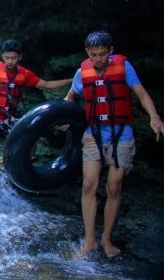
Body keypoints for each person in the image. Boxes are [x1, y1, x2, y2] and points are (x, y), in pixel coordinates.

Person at [64, 30, 162, 258]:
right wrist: (64, 118)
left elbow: (142, 94)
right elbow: (70, 97)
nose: (97, 59)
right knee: (89, 184)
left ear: (111, 51)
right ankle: (89, 241)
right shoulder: (82, 72)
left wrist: (154, 117)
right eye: (93, 55)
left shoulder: (124, 68)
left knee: (114, 186)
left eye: (102, 54)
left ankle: (106, 238)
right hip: (93, 132)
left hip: (121, 132)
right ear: (87, 52)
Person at [0, 39, 72, 199]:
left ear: (20, 57)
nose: (10, 61)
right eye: (7, 57)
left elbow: (45, 84)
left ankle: (12, 175)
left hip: (10, 118)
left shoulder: (24, 74)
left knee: (27, 147)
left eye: (13, 58)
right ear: (3, 56)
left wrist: (73, 80)